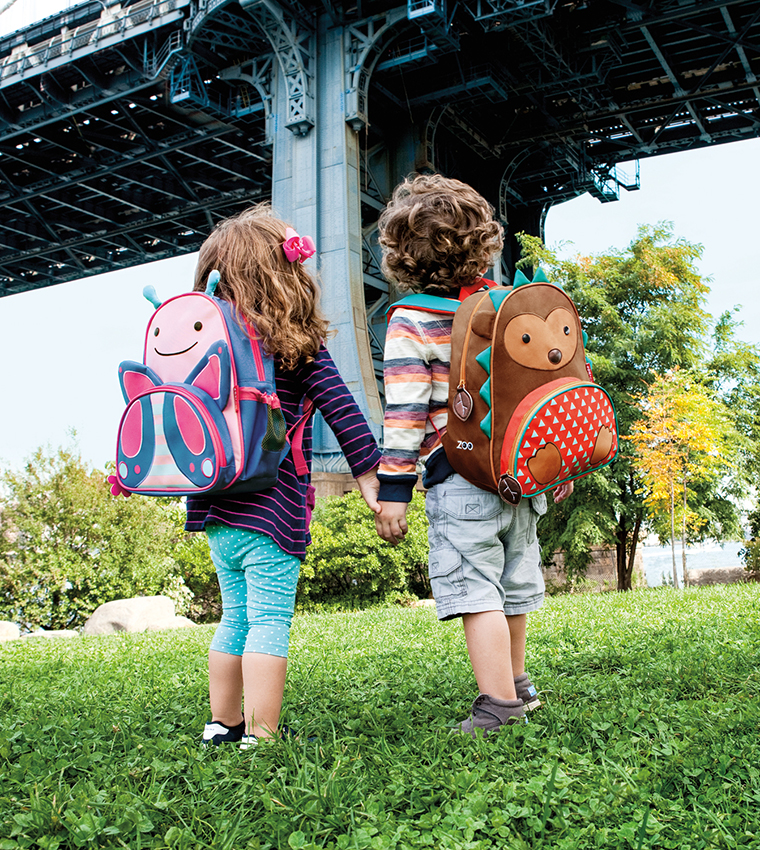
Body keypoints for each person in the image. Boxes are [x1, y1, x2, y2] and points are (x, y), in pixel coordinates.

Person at [373, 174, 573, 736]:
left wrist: (394, 490)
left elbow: (406, 412)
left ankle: (497, 705)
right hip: (519, 473)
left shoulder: (411, 320)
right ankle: (518, 685)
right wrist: (554, 461)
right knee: (511, 586)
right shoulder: (503, 308)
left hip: (459, 477)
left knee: (475, 590)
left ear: (401, 256)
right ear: (482, 243)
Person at [186, 204, 382, 748]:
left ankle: (220, 725)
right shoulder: (297, 347)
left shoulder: (205, 348)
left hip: (215, 511)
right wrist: (370, 475)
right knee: (269, 620)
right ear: (286, 276)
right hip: (274, 510)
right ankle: (261, 734)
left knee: (234, 618)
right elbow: (342, 407)